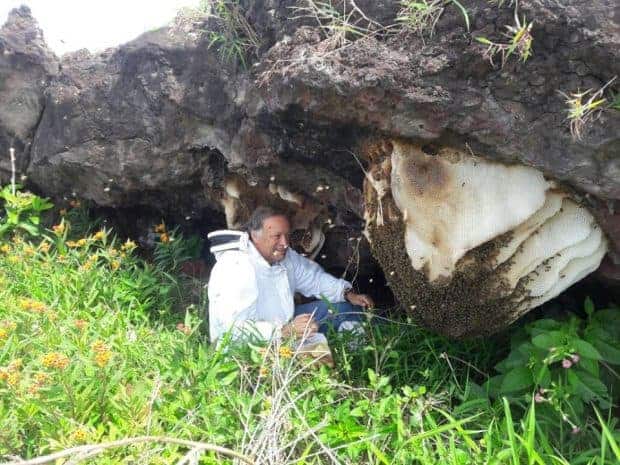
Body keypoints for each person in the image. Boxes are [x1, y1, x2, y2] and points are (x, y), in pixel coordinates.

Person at [207, 206, 374, 344]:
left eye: (286, 235)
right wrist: (285, 331)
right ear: (255, 236)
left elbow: (314, 279)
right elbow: (233, 331)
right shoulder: (235, 267)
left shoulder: (285, 256)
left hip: (285, 323)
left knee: (344, 309)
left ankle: (376, 346)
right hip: (251, 349)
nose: (285, 243)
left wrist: (347, 293)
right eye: (277, 236)